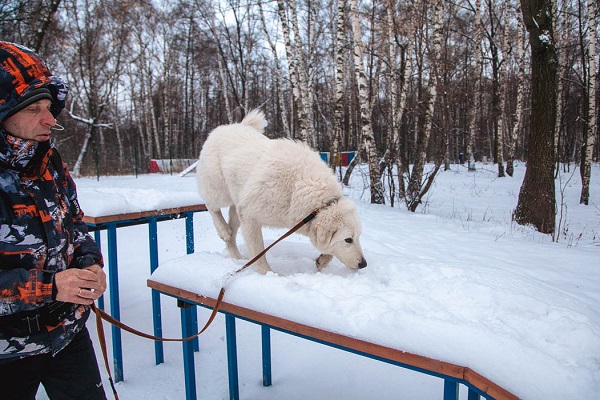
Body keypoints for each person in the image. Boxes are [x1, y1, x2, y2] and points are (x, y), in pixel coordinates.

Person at [0, 42, 107, 399]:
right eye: (33, 109)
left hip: (67, 334)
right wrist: (50, 286)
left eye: (49, 107)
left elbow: (75, 224)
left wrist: (89, 262)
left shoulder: (50, 162)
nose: (50, 120)